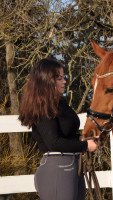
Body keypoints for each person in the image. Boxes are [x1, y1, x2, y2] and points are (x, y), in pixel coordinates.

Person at [19, 58, 98, 200]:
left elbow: (65, 134)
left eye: (63, 77)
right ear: (47, 81)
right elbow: (53, 143)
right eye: (59, 78)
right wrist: (85, 145)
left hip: (72, 166)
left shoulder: (59, 103)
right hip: (57, 168)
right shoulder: (43, 107)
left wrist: (81, 139)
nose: (64, 81)